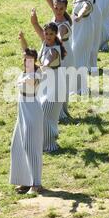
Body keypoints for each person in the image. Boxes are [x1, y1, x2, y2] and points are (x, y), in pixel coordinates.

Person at [9, 34, 44, 195]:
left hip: (32, 113)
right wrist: (22, 39)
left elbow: (32, 82)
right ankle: (25, 181)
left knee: (31, 147)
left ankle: (36, 183)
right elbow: (25, 50)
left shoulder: (37, 73)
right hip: (22, 112)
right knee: (18, 146)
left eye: (29, 60)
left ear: (34, 60)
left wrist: (24, 81)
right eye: (24, 59)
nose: (26, 62)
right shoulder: (26, 69)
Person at [37, 0, 74, 119]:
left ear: (65, 9)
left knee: (60, 82)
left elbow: (58, 36)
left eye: (61, 9)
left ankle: (60, 112)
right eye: (56, 8)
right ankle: (52, 108)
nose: (58, 10)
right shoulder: (55, 14)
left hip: (63, 54)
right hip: (54, 51)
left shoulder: (64, 24)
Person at [31, 10, 66, 152]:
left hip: (56, 85)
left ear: (56, 34)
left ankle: (50, 144)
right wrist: (34, 20)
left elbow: (49, 58)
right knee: (41, 112)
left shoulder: (55, 49)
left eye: (51, 34)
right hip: (45, 84)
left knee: (46, 114)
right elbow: (37, 27)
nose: (48, 36)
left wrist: (44, 65)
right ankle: (42, 143)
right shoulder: (44, 42)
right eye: (46, 33)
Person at [71, 0, 96, 93]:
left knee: (79, 57)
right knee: (74, 56)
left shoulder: (89, 2)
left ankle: (80, 87)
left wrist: (80, 15)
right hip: (76, 30)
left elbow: (84, 8)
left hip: (84, 31)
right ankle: (74, 86)